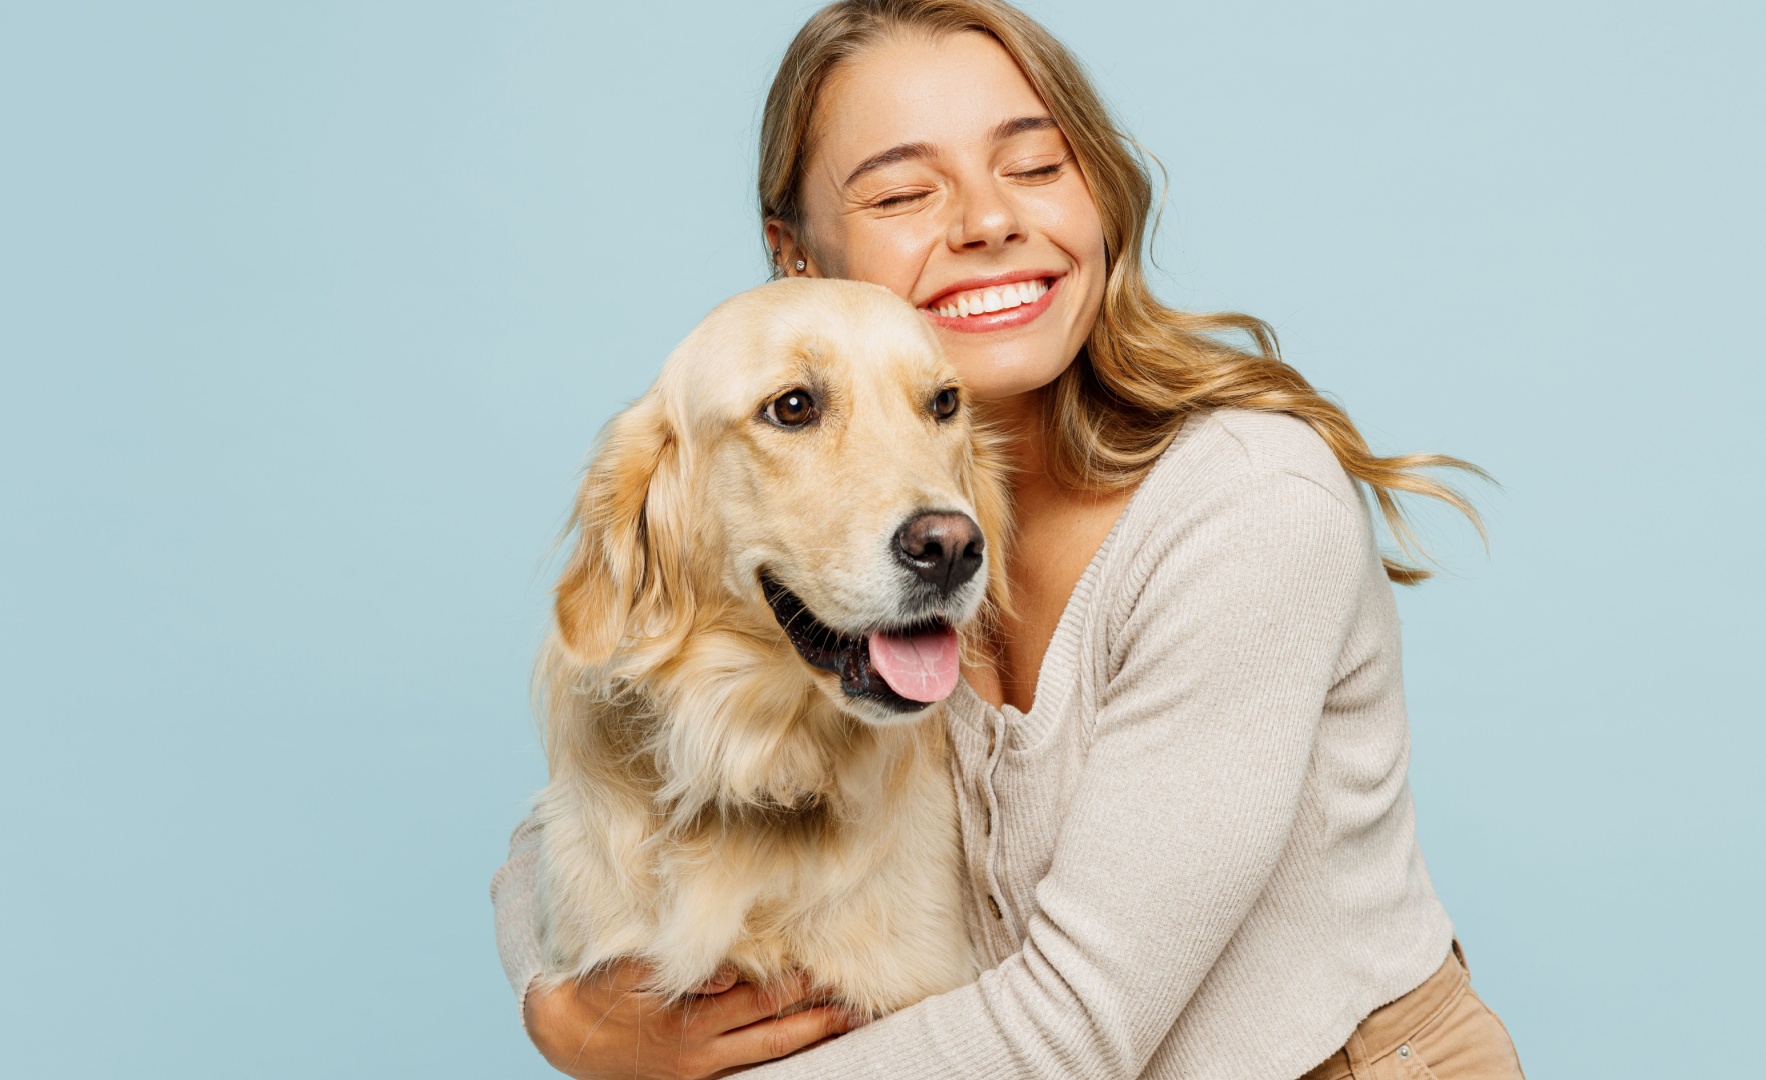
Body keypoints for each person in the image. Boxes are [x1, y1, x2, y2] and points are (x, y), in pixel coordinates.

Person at [491, 1, 1526, 1076]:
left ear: (1100, 199)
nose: (988, 222)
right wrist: (556, 1002)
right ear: (794, 255)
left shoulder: (1251, 508)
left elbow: (1068, 1031)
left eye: (1036, 167)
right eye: (902, 191)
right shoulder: (846, 553)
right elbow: (597, 779)